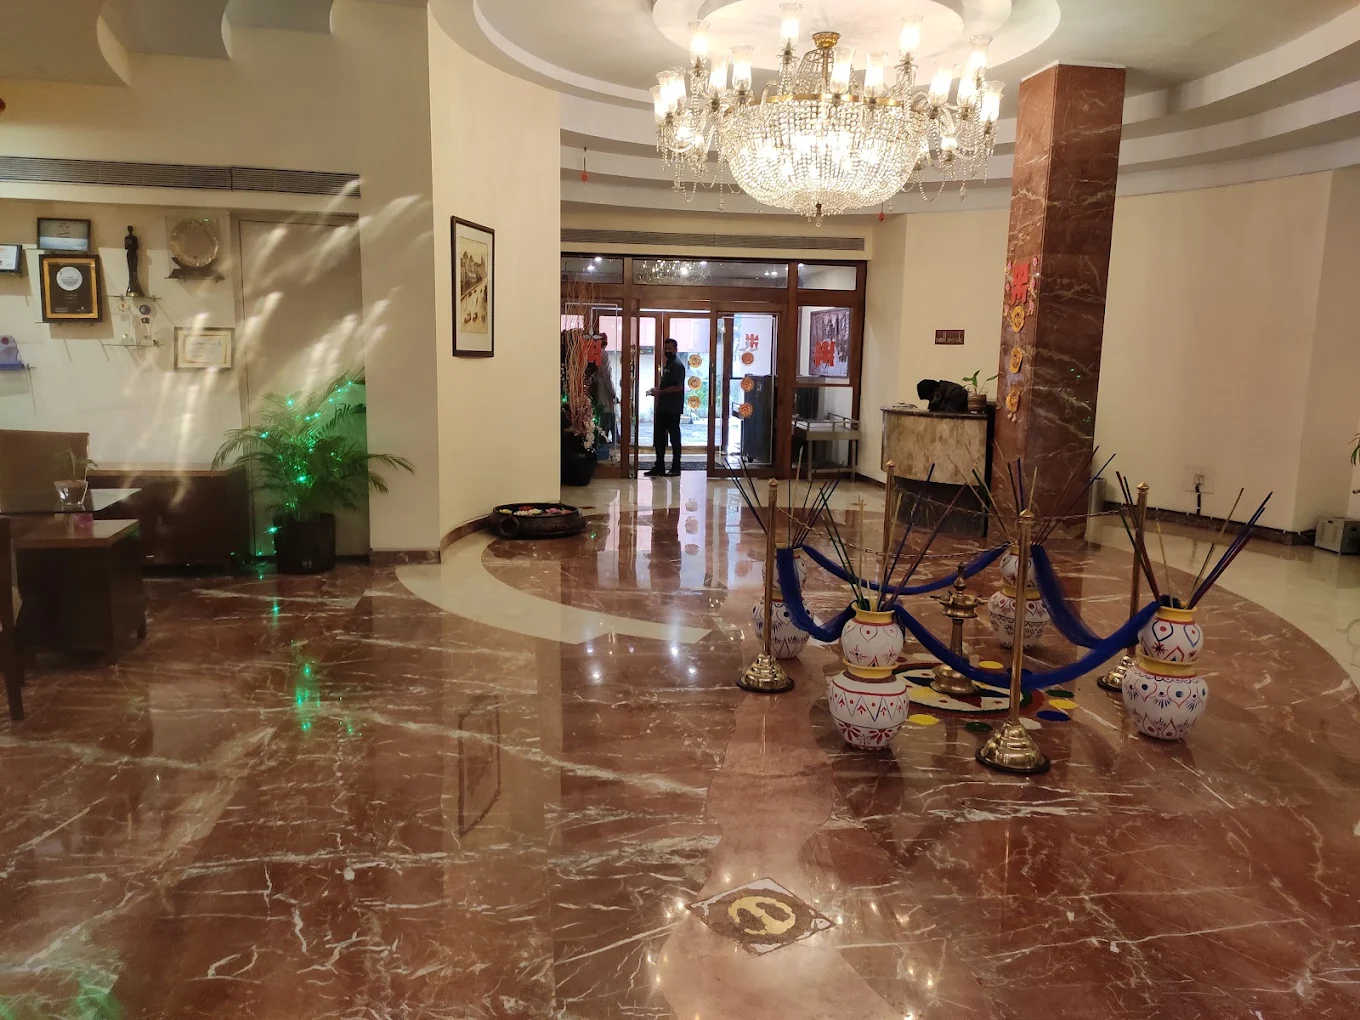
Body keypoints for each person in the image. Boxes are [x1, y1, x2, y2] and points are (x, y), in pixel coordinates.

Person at [646, 338, 685, 477]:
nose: (667, 351)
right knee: (659, 439)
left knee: (674, 439)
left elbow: (679, 387)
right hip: (663, 408)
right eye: (666, 348)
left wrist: (660, 392)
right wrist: (657, 390)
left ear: (676, 349)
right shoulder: (669, 364)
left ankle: (676, 468)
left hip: (672, 409)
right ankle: (659, 467)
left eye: (670, 349)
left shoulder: (677, 365)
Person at [592, 335, 618, 446]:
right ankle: (606, 440)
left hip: (596, 387)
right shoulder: (604, 355)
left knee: (603, 415)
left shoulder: (592, 354)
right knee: (607, 414)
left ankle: (612, 439)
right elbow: (607, 375)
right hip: (604, 389)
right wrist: (613, 393)